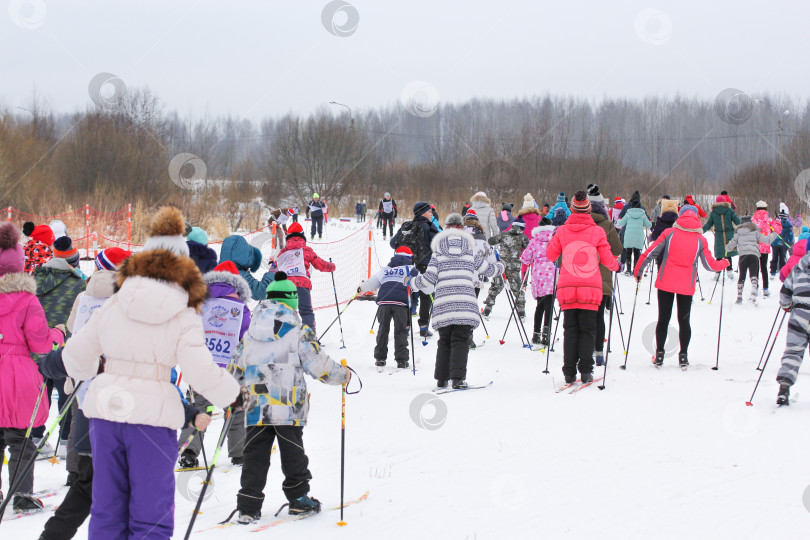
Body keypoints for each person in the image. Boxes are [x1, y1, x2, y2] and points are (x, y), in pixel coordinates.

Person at [62, 206, 241, 539]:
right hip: (152, 418)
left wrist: (87, 372)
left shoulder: (115, 303)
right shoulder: (184, 312)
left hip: (106, 413)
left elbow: (76, 355)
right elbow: (200, 370)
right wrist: (231, 395)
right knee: (151, 513)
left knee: (107, 509)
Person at [229, 272, 350, 523]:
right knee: (293, 452)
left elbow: (235, 367)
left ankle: (248, 506)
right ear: (292, 301)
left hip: (256, 405)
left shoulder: (250, 332)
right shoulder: (298, 331)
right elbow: (318, 365)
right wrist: (342, 375)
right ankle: (298, 498)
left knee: (254, 455)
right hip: (288, 405)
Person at [0, 222, 65, 513]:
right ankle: (21, 495)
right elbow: (40, 345)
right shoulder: (28, 301)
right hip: (17, 375)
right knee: (21, 440)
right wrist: (59, 334)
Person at [410, 214, 504, 389]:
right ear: (463, 229)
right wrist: (501, 267)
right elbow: (489, 270)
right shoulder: (469, 251)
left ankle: (442, 379)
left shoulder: (438, 253)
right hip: (465, 303)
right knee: (461, 340)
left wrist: (412, 283)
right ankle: (458, 379)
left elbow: (428, 278)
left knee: (444, 340)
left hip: (443, 304)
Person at [177, 260, 252, 469]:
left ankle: (188, 451)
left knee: (200, 408)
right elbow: (247, 337)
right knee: (236, 408)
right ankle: (239, 452)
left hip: (201, 366)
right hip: (231, 370)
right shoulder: (241, 308)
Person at [635, 206, 729, 368]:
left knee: (663, 319)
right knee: (684, 321)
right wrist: (724, 263)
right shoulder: (700, 239)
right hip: (687, 285)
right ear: (696, 219)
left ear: (681, 217)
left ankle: (659, 354)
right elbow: (709, 265)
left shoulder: (669, 233)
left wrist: (639, 271)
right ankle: (683, 356)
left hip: (666, 283)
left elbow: (651, 252)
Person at [546, 191, 620, 384]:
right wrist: (617, 267)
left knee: (570, 330)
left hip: (567, 287)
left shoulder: (562, 231)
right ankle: (586, 371)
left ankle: (569, 372)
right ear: (588, 210)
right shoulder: (597, 232)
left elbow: (550, 255)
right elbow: (607, 259)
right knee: (588, 330)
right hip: (590, 287)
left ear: (572, 210)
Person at [34, 236, 86, 453]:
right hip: (64, 346)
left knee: (39, 392)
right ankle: (65, 438)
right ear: (74, 262)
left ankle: (36, 435)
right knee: (65, 391)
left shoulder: (35, 278)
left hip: (36, 344)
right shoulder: (78, 283)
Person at [272, 221, 335, 331]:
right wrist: (331, 266)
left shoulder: (283, 251)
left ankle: (278, 336)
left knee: (283, 312)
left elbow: (276, 267)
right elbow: (320, 264)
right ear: (303, 236)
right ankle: (309, 339)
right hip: (302, 285)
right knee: (306, 312)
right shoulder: (307, 250)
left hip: (285, 286)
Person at [391, 202, 441, 339]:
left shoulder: (406, 226)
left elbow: (392, 243)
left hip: (406, 266)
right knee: (426, 296)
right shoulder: (429, 226)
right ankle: (423, 326)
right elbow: (439, 244)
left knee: (406, 294)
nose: (432, 214)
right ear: (423, 213)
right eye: (430, 212)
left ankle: (405, 326)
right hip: (424, 266)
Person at [359, 246, 415, 369]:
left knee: (383, 329)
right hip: (401, 304)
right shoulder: (411, 269)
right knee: (401, 330)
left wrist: (361, 288)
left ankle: (380, 358)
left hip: (384, 302)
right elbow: (419, 284)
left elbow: (372, 282)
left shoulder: (385, 270)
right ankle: (402, 360)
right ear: (410, 258)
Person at [588, 188, 623, 366]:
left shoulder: (580, 224)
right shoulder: (607, 225)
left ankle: (584, 350)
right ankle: (599, 352)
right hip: (602, 278)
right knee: (599, 314)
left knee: (585, 315)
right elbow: (617, 250)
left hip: (581, 278)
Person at [775, 253, 810, 405]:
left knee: (793, 351)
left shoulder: (797, 269)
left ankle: (784, 386)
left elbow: (785, 293)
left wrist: (786, 306)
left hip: (799, 315)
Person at [520, 217, 556, 347]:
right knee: (549, 305)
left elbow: (525, 259)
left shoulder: (534, 241)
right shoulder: (555, 239)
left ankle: (536, 333)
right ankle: (546, 332)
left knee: (540, 304)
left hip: (539, 274)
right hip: (552, 272)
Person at [725, 216, 777, 305]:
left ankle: (739, 296)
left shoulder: (737, 234)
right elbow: (767, 240)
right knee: (753, 274)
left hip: (743, 256)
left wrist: (727, 247)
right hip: (754, 255)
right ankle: (754, 287)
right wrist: (774, 234)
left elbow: (729, 247)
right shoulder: (755, 232)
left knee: (742, 276)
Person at [483, 219, 529, 319]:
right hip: (514, 266)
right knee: (517, 288)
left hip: (502, 265)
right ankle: (521, 312)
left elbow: (491, 241)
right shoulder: (523, 237)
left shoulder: (503, 235)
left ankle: (487, 309)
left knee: (496, 286)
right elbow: (528, 250)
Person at [219, 234, 275, 301]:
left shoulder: (217, 271)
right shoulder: (238, 275)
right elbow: (260, 292)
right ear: (244, 256)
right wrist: (272, 273)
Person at [703, 195, 740, 276]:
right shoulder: (730, 210)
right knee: (728, 253)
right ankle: (729, 271)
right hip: (729, 234)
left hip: (719, 235)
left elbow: (708, 224)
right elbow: (737, 221)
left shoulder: (714, 212)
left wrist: (701, 231)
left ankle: (717, 273)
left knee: (719, 254)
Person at [617, 195, 651, 276]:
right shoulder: (643, 214)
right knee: (637, 253)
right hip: (639, 237)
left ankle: (628, 270)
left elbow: (621, 223)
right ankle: (636, 269)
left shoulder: (628, 213)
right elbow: (648, 225)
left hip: (628, 236)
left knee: (628, 253)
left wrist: (618, 220)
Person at [752, 200, 780, 297]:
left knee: (755, 268)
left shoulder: (753, 219)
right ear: (765, 208)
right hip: (765, 247)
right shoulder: (769, 219)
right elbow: (778, 230)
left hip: (754, 247)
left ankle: (754, 287)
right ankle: (766, 289)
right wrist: (778, 222)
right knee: (764, 268)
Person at [770, 203, 796, 277]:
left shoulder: (774, 222)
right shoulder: (787, 223)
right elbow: (790, 233)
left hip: (775, 243)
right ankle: (782, 271)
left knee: (774, 257)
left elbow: (771, 231)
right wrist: (790, 241)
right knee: (782, 257)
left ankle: (773, 271)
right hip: (783, 243)